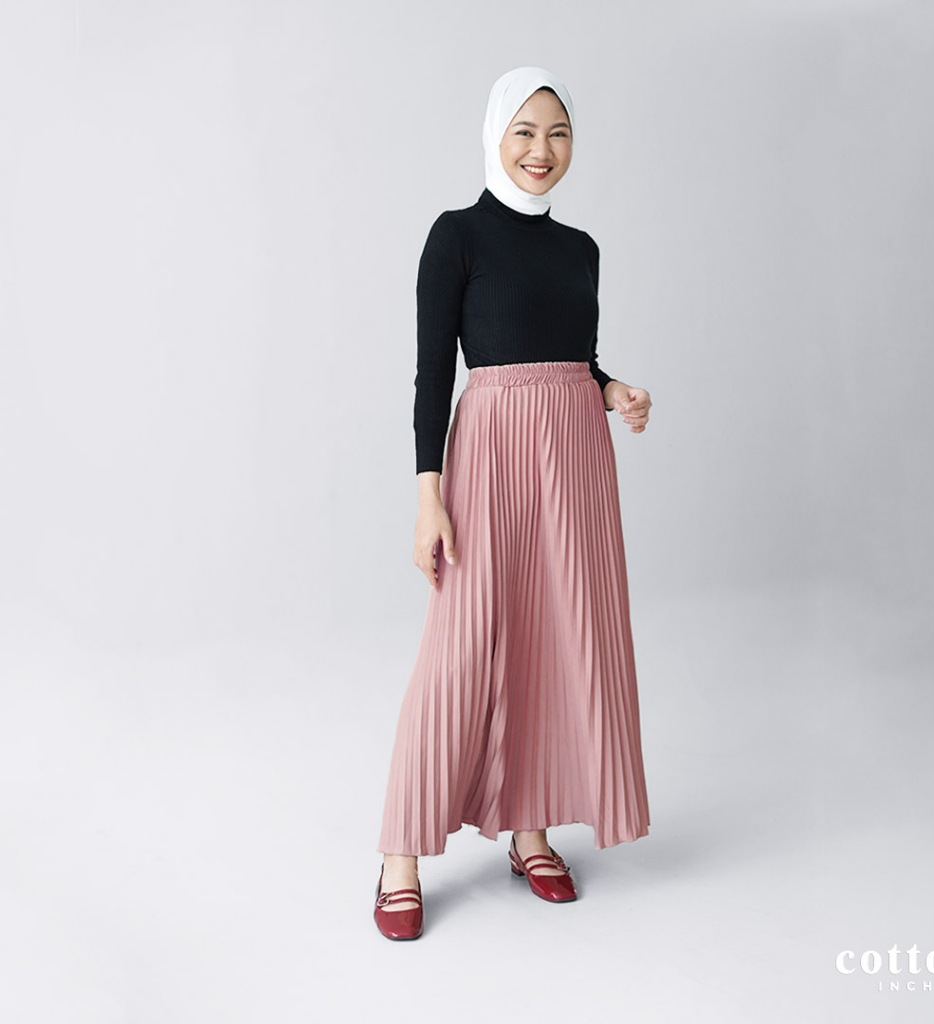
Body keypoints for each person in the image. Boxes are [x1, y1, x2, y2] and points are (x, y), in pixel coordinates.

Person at [373, 66, 652, 941]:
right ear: (496, 135)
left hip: (575, 459)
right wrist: (429, 499)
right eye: (525, 131)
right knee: (459, 650)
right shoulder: (456, 235)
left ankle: (530, 829)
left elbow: (573, 355)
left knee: (556, 638)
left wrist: (611, 390)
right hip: (489, 455)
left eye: (558, 133)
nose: (542, 150)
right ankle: (400, 855)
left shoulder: (581, 249)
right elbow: (434, 375)